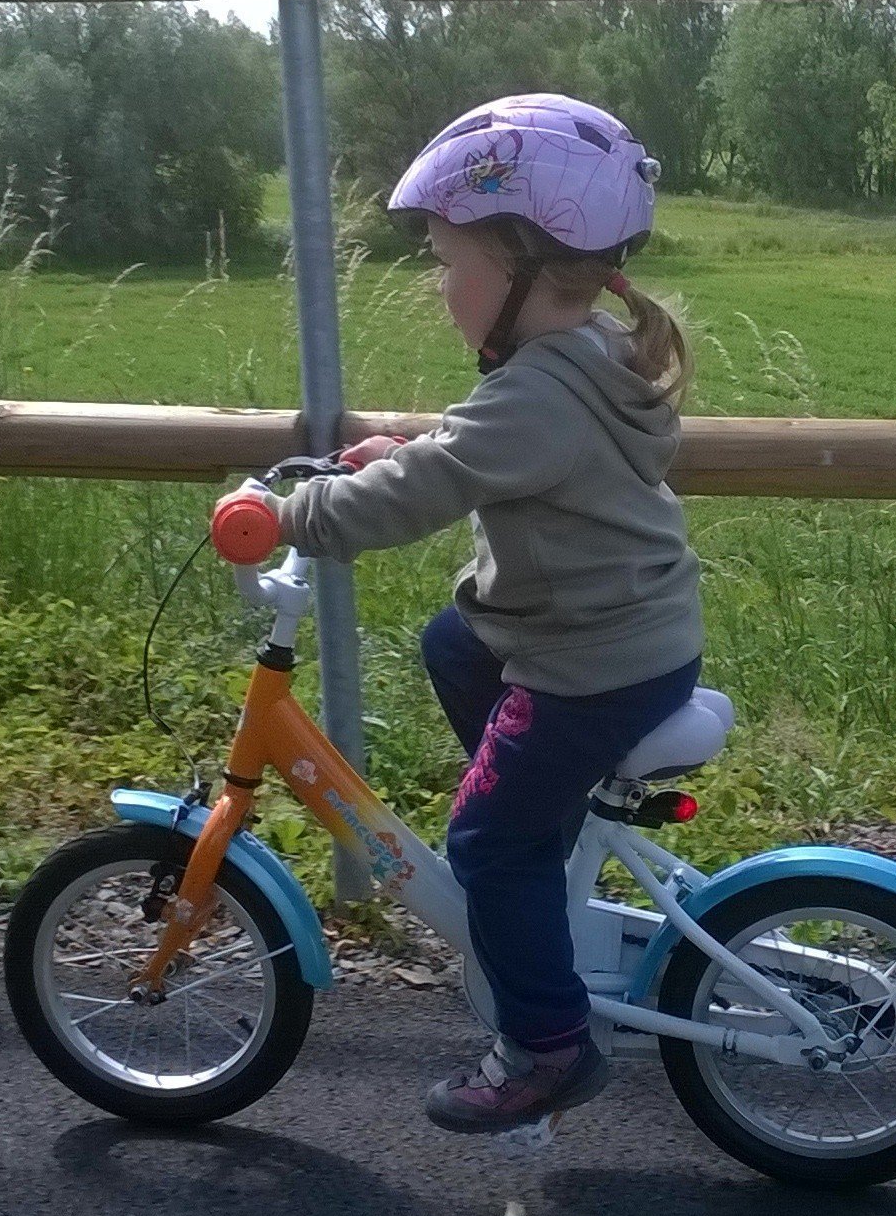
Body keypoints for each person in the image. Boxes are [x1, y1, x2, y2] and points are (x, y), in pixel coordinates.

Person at [267, 94, 704, 1132]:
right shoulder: (581, 352)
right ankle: (547, 829)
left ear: (518, 269)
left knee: (486, 843)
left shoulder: (536, 393)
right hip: (631, 639)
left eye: (447, 261)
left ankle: (547, 1044)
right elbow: (472, 444)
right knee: (451, 640)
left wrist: (290, 512)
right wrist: (406, 442)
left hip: (587, 663)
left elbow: (426, 489)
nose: (437, 283)